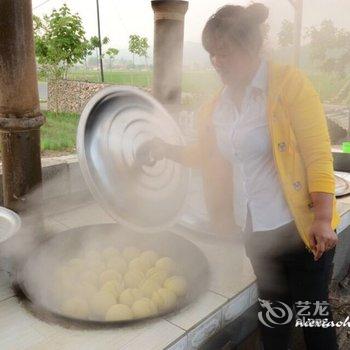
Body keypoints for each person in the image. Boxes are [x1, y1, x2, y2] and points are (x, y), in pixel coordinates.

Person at [150, 3, 340, 350]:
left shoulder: (288, 85)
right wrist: (166, 150)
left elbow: (317, 152)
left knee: (314, 315)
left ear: (252, 48)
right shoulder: (216, 107)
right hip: (257, 233)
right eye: (212, 55)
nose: (217, 63)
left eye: (225, 53)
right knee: (272, 314)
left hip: (302, 229)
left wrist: (324, 217)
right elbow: (205, 155)